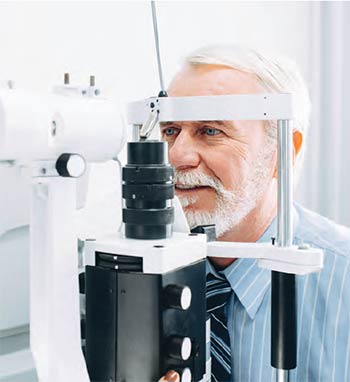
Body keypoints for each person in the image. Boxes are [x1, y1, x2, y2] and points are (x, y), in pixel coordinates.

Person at [159, 45, 350, 382]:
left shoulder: (343, 280)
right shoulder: (136, 270)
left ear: (283, 152)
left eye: (211, 131)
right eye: (171, 131)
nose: (178, 156)